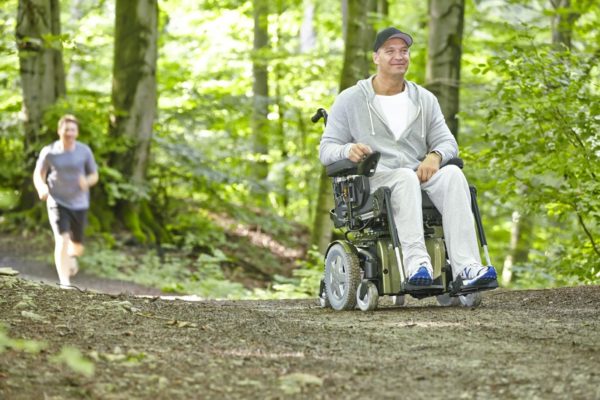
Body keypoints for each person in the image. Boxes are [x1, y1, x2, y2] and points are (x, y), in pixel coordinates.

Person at [319, 27, 497, 288]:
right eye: (390, 51)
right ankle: (417, 264)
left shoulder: (424, 99)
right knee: (403, 177)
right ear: (375, 57)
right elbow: (326, 150)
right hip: (374, 181)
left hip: (417, 175)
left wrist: (435, 156)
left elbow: (448, 142)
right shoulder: (350, 99)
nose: (399, 56)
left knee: (453, 175)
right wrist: (348, 150)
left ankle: (466, 267)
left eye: (404, 51)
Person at [33, 114, 99, 288]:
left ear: (76, 133)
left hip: (79, 203)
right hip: (57, 201)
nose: (69, 132)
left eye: (72, 129)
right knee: (61, 239)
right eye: (66, 129)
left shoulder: (84, 151)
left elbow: (94, 175)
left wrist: (87, 181)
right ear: (59, 130)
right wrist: (42, 187)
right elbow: (38, 174)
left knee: (76, 245)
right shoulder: (49, 151)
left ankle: (71, 257)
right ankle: (65, 283)